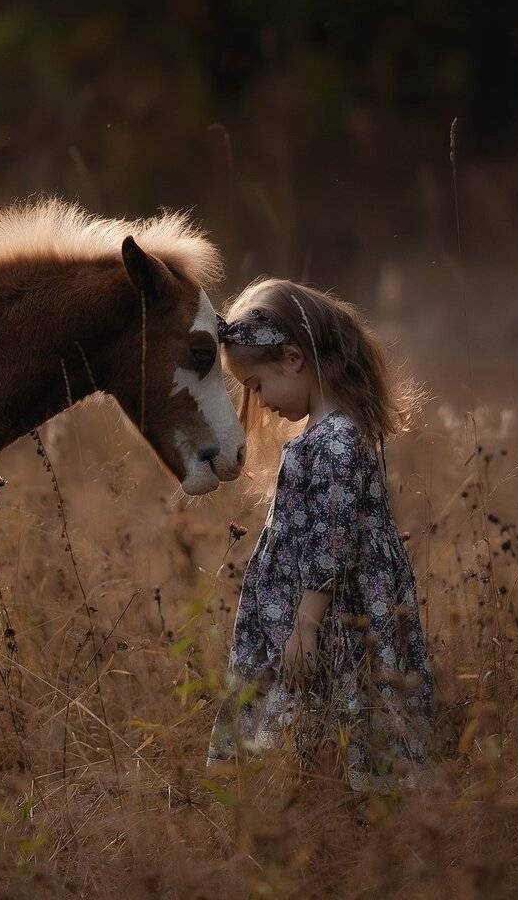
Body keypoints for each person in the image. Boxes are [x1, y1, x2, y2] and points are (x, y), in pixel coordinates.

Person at [208, 278, 433, 791]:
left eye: (257, 385)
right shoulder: (326, 435)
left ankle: (343, 806)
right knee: (325, 717)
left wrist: (305, 624)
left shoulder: (335, 442)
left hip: (329, 613)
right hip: (321, 610)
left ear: (293, 359)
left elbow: (332, 544)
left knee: (344, 705)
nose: (258, 403)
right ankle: (321, 795)